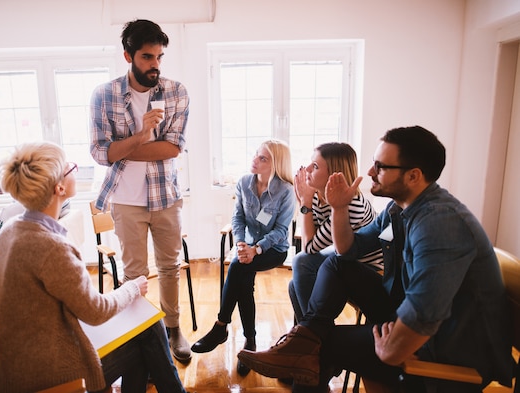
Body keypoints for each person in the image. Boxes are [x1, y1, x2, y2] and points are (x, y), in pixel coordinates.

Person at [238, 126, 514, 392]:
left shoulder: (440, 223)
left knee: (318, 349)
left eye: (381, 167)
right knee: (336, 264)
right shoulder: (399, 208)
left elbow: (425, 315)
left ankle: (302, 343)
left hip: (441, 349)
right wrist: (339, 207)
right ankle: (305, 336)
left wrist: (391, 351)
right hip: (407, 316)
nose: (370, 172)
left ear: (413, 176)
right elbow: (348, 250)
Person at [0, 142, 187, 393]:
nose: (75, 169)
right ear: (59, 187)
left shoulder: (11, 229)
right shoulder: (50, 246)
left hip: (13, 371)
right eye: (70, 167)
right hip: (47, 377)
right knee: (148, 331)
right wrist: (132, 287)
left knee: (146, 331)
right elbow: (96, 312)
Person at [89, 19, 191, 362]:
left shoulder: (177, 92)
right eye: (148, 57)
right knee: (134, 275)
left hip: (166, 197)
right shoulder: (103, 95)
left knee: (169, 268)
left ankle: (173, 329)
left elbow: (173, 148)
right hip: (125, 202)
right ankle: (143, 337)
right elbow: (100, 153)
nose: (155, 65)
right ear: (128, 56)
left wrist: (124, 147)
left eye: (160, 57)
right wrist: (143, 136)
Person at [191, 139, 296, 376]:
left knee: (239, 268)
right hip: (246, 246)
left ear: (276, 164)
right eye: (256, 155)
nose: (255, 160)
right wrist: (240, 243)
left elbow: (281, 231)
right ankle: (250, 343)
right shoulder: (244, 183)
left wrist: (256, 249)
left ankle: (221, 327)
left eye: (263, 158)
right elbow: (237, 218)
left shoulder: (286, 191)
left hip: (274, 250)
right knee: (242, 273)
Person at [289, 142, 382, 322]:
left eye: (315, 166)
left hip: (367, 265)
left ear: (333, 174)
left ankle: (314, 335)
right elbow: (312, 241)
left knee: (301, 261)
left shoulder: (352, 204)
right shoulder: (318, 195)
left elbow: (309, 247)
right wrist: (307, 203)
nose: (307, 169)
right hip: (345, 255)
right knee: (294, 285)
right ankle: (311, 338)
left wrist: (305, 204)